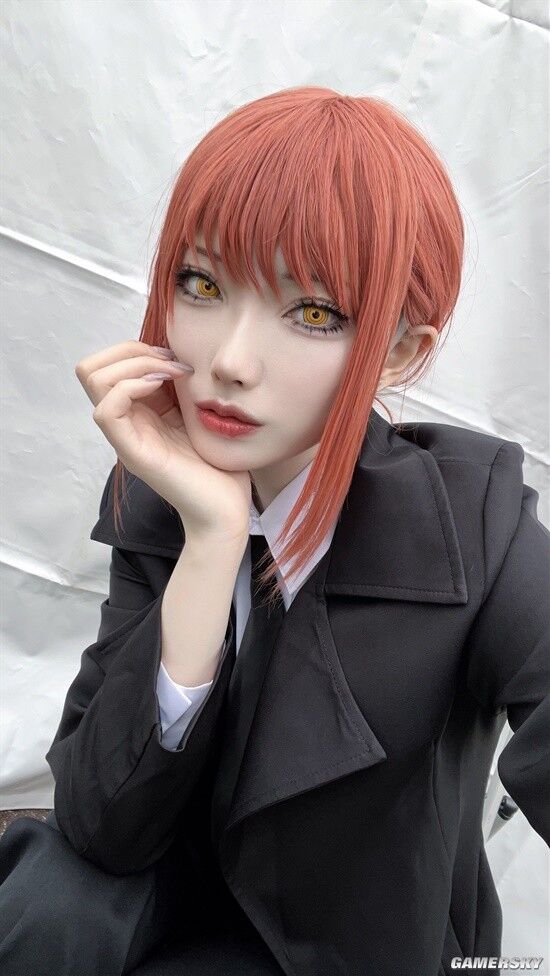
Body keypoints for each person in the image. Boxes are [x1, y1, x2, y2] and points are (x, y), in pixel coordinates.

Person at [0, 86, 548, 976]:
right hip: (164, 903)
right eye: (203, 284)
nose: (229, 362)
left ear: (400, 352)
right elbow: (102, 823)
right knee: (47, 907)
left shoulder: (471, 523)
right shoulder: (162, 493)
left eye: (314, 313)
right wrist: (211, 541)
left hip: (353, 948)